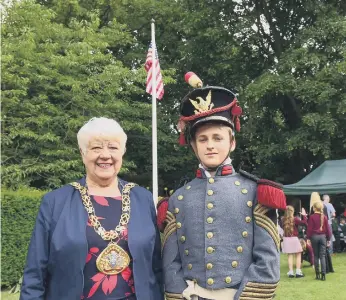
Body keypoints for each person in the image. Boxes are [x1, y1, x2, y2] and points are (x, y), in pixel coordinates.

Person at [157, 73, 286, 300]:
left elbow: (267, 261)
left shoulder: (257, 192)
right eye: (203, 139)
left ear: (232, 142)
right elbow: (171, 263)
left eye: (218, 138)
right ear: (194, 146)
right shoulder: (177, 198)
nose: (210, 146)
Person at [20, 117, 164, 300]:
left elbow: (156, 269)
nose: (105, 155)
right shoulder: (55, 202)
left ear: (123, 151)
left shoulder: (142, 199)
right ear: (83, 153)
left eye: (113, 147)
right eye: (96, 148)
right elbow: (35, 274)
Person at [307, 201, 332, 281]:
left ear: (314, 208)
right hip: (323, 237)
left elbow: (309, 229)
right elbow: (328, 229)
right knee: (323, 256)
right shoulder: (324, 216)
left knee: (316, 256)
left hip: (314, 237)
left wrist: (308, 238)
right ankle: (323, 274)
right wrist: (328, 239)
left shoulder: (312, 217)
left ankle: (317, 274)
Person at [282, 206, 307, 278]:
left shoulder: (283, 219)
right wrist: (304, 215)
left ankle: (291, 272)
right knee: (298, 255)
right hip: (294, 238)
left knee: (290, 255)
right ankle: (298, 272)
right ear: (292, 212)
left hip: (286, 239)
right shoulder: (295, 219)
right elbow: (304, 223)